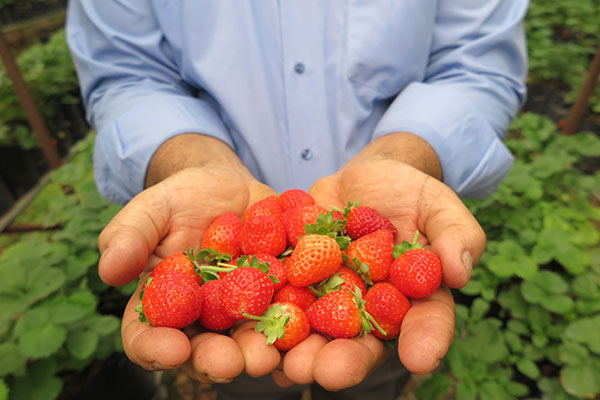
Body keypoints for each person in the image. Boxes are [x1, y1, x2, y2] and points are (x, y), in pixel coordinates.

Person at [66, 1, 528, 398]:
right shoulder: (242, 282)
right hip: (237, 323)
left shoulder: (362, 288)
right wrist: (188, 158)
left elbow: (479, 65)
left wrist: (407, 154)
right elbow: (124, 73)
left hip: (378, 306)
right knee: (239, 374)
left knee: (366, 379)